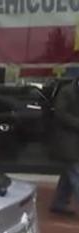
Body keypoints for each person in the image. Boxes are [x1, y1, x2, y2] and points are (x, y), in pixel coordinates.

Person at [50, 77, 79, 216]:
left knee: (68, 175)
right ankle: (59, 203)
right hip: (67, 140)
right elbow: (60, 114)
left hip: (74, 140)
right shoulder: (66, 91)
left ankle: (59, 203)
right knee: (76, 173)